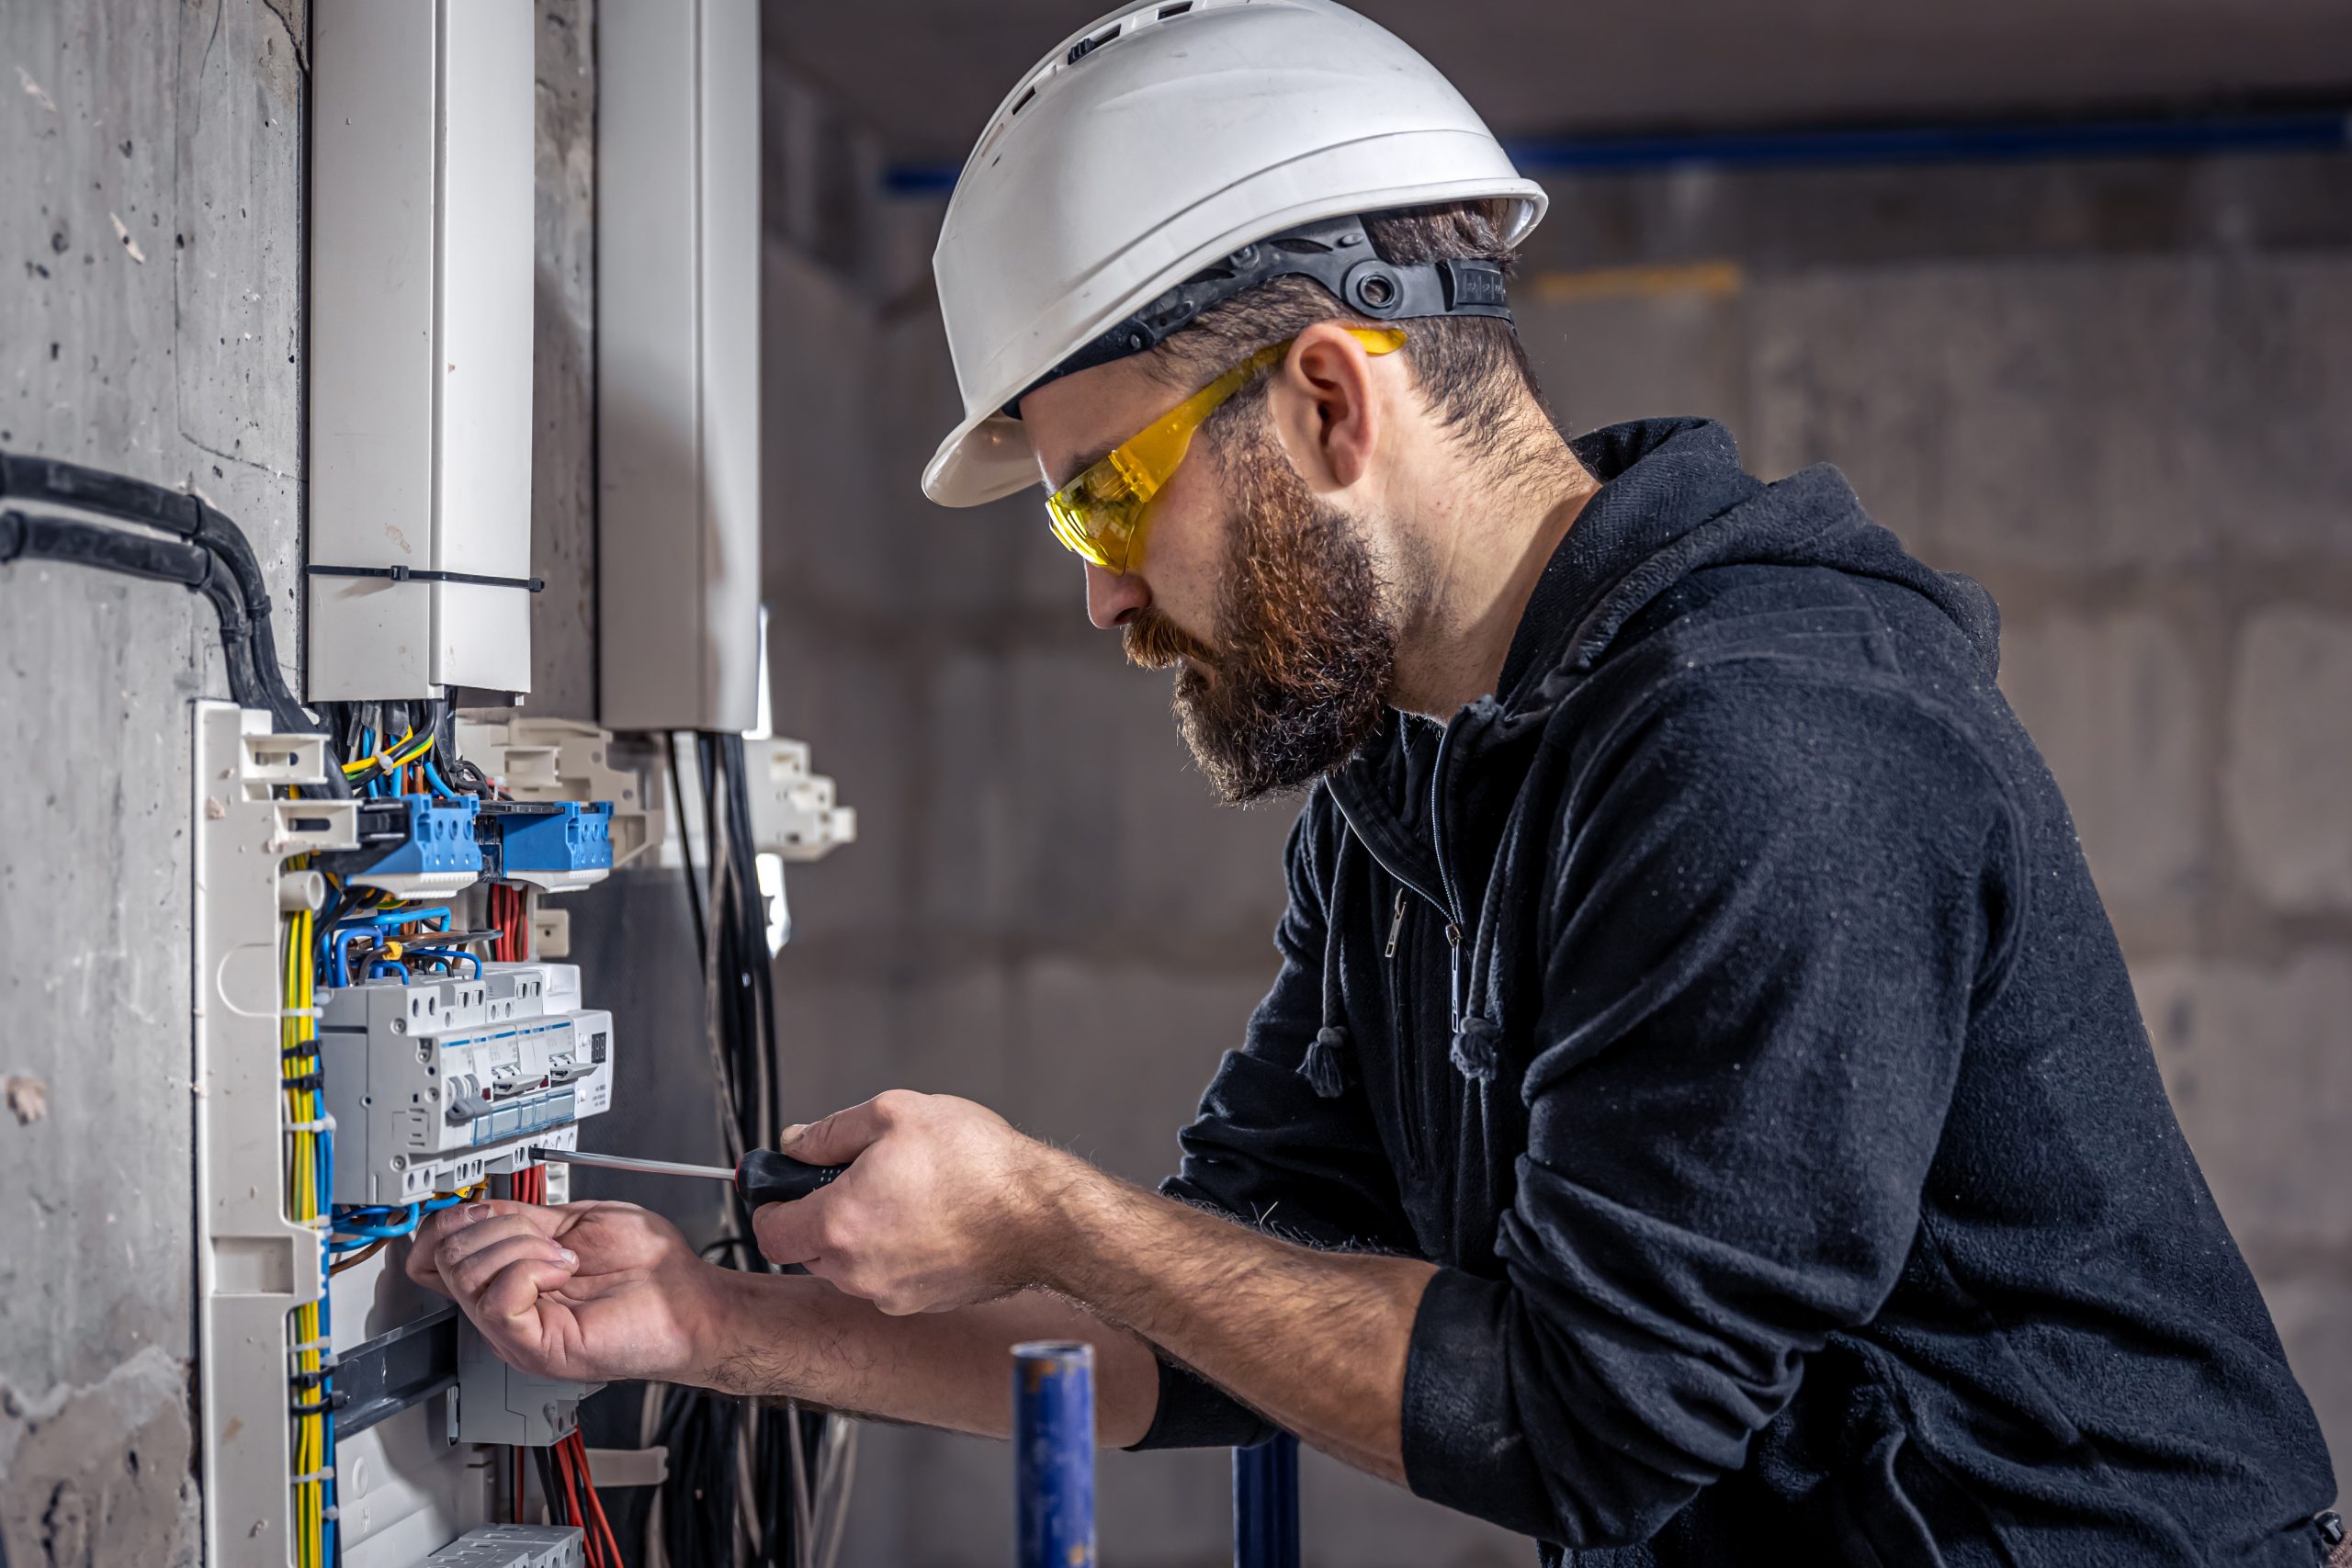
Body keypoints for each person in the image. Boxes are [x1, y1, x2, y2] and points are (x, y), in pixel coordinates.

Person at [414, 2, 2345, 1561]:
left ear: (1333, 402)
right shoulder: (1408, 792)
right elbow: (1215, 1324)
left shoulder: (1768, 739)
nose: (1097, 589)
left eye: (1103, 487)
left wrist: (1048, 1207)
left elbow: (1590, 1422)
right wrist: (719, 1323)